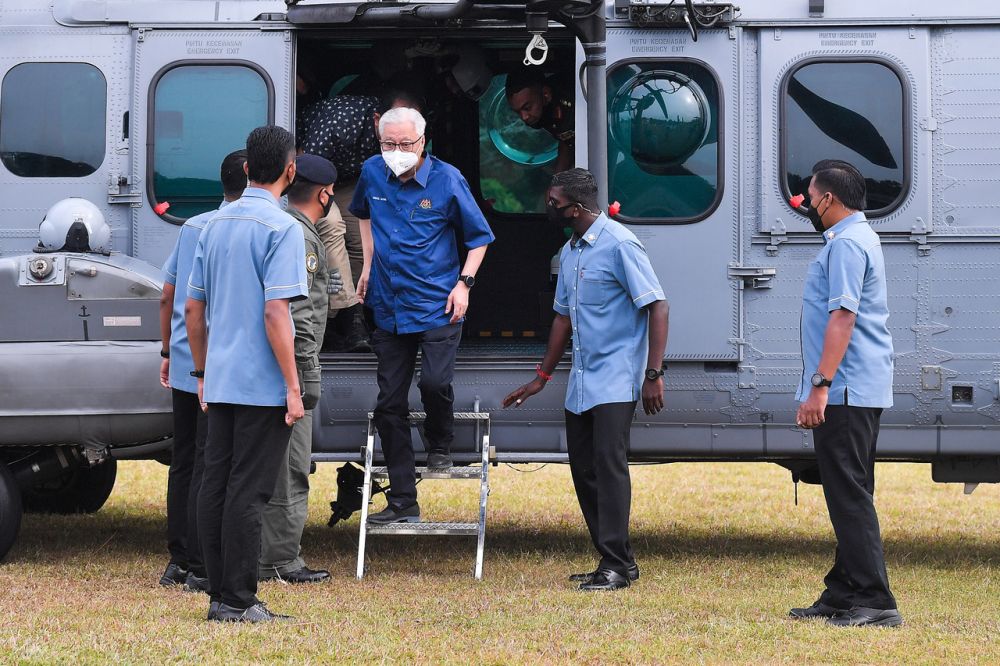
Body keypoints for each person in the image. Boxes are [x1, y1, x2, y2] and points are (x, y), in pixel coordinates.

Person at [502, 168, 668, 592]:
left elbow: (658, 306)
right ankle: (617, 560)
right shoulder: (572, 250)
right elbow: (562, 319)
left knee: (609, 470)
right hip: (582, 380)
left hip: (616, 378)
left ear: (575, 208)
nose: (550, 208)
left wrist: (653, 374)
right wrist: (541, 375)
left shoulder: (620, 244)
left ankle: (614, 564)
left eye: (554, 203)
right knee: (584, 469)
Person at [185, 125, 307, 623]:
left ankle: (217, 592)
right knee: (249, 492)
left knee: (216, 484)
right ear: (289, 170)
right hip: (261, 383)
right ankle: (238, 599)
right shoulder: (283, 229)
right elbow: (276, 313)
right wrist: (293, 386)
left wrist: (200, 371)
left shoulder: (211, 224)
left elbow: (194, 310)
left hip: (220, 377)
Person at [350, 106, 494, 524]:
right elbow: (363, 215)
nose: (396, 151)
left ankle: (441, 442)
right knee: (389, 402)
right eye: (388, 144)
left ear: (422, 143)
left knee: (433, 381)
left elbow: (480, 238)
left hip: (437, 302)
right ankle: (402, 500)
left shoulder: (448, 179)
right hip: (387, 302)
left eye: (405, 144)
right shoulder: (372, 171)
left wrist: (463, 284)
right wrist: (367, 266)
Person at [789, 160, 902, 627]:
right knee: (848, 489)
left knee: (849, 494)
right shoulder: (856, 238)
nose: (806, 204)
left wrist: (820, 386)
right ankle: (842, 592)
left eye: (810, 196)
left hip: (847, 389)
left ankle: (875, 601)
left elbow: (843, 317)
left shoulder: (847, 246)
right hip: (857, 386)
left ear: (828, 199)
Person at [157, 149, 247, 592]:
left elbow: (167, 294)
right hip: (215, 362)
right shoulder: (238, 227)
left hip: (181, 357)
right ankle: (200, 563)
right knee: (213, 464)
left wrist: (167, 351)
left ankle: (177, 558)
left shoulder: (193, 225)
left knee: (184, 461)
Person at [258, 154, 338, 585]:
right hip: (295, 365)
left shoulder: (284, 225)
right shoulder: (302, 238)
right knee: (291, 466)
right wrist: (305, 375)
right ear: (325, 195)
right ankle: (279, 560)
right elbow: (301, 316)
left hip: (271, 365)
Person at [299, 85, 426, 352]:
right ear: (378, 120)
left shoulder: (408, 136)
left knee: (361, 237)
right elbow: (306, 168)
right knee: (333, 225)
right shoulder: (341, 123)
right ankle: (349, 318)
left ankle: (360, 311)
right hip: (311, 180)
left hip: (350, 180)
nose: (403, 129)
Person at [505, 67, 574, 173]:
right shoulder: (544, 112)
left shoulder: (573, 100)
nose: (524, 117)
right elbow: (566, 140)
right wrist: (557, 183)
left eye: (527, 108)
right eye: (517, 112)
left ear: (546, 95)